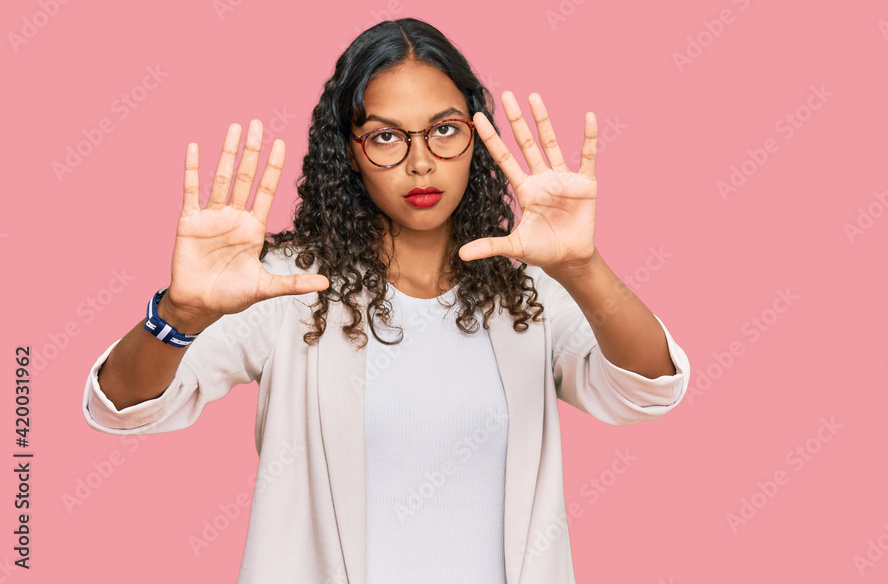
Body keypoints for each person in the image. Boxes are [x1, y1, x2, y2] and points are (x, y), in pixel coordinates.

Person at [81, 17, 690, 584]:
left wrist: (582, 267)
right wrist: (180, 317)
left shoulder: (524, 294)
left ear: (476, 138)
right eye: (385, 137)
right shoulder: (289, 287)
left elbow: (647, 387)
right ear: (349, 151)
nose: (421, 162)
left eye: (444, 130)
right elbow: (122, 405)